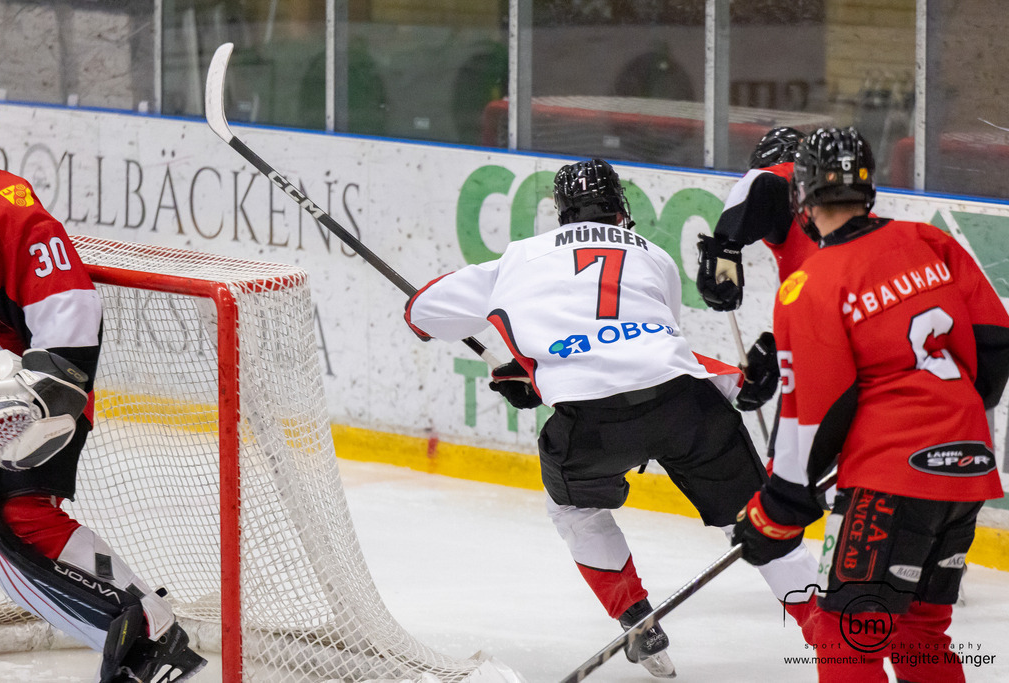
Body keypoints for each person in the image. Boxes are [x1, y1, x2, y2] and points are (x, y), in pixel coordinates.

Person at [404, 158, 821, 678]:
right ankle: (831, 635)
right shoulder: (655, 257)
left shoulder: (518, 258)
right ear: (621, 208)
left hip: (591, 425)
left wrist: (533, 372)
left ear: (560, 212)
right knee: (762, 519)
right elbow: (643, 347)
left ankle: (636, 619)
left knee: (575, 513)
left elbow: (420, 311)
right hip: (686, 409)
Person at [730, 127, 1009, 682]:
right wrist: (946, 425)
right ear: (869, 187)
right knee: (919, 634)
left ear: (802, 196)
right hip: (968, 468)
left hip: (892, 482)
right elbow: (997, 343)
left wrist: (779, 508)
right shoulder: (930, 242)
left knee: (845, 637)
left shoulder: (809, 284)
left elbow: (814, 411)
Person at [0, 83, 206, 683]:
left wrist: (44, 394)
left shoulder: (5, 209)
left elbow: (70, 305)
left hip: (18, 406)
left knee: (18, 521)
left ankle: (149, 632)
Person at [696, 127, 813, 415]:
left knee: (792, 456)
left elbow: (760, 182)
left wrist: (724, 251)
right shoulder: (836, 203)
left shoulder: (781, 178)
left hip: (823, 348)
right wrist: (778, 353)